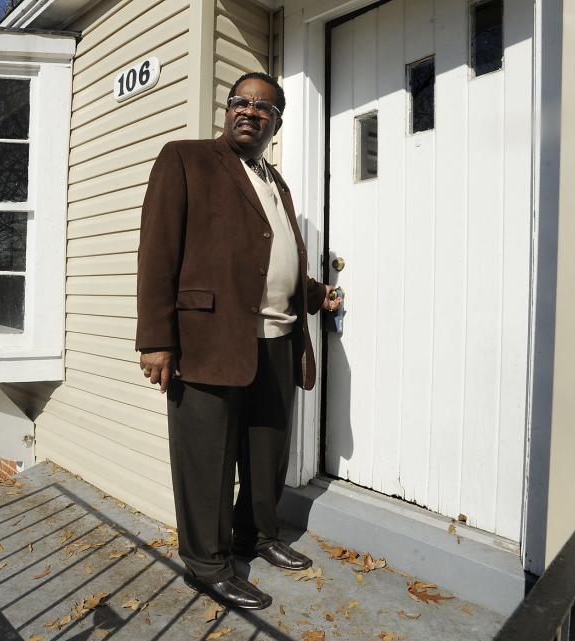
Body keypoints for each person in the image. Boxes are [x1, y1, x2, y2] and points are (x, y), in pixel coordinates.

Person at [135, 72, 342, 610]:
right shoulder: (186, 159)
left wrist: (318, 295)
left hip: (276, 339)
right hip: (207, 341)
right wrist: (157, 339)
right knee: (206, 460)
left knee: (266, 453)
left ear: (278, 119)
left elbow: (269, 258)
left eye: (263, 106)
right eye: (240, 102)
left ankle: (259, 537)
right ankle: (207, 564)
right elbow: (158, 252)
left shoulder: (275, 181)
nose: (249, 111)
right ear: (228, 110)